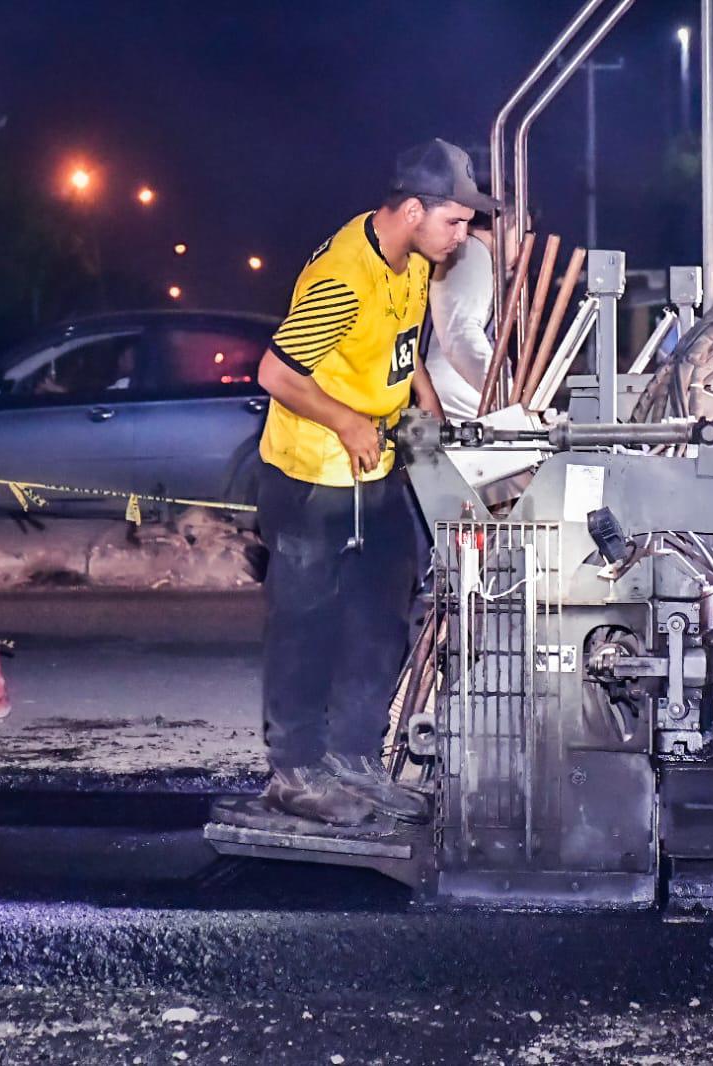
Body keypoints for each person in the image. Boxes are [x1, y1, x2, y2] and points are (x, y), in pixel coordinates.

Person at [250, 138, 498, 828]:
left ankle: (354, 758)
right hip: (311, 480)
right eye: (455, 220)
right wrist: (348, 421)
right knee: (306, 626)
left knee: (380, 615)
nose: (464, 235)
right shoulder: (342, 277)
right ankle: (294, 771)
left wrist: (428, 403)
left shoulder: (414, 259)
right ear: (413, 209)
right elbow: (275, 374)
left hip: (378, 471)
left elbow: (404, 344)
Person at [425, 200, 520, 421]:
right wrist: (505, 398)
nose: (524, 244)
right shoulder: (471, 252)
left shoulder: (475, 256)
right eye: (521, 231)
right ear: (504, 221)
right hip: (451, 402)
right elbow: (461, 334)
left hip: (452, 397)